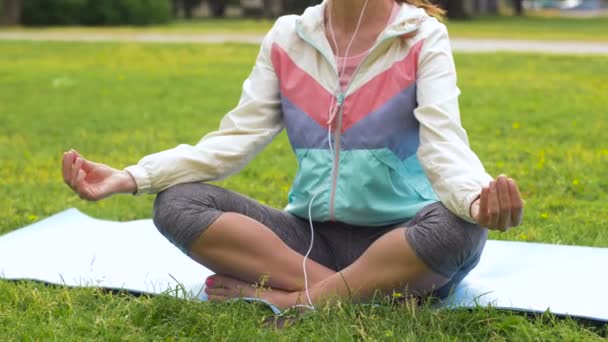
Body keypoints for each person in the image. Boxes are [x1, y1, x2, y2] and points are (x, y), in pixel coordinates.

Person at [62, 0, 524, 311]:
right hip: (307, 240)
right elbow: (234, 139)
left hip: (403, 244)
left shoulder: (422, 37)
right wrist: (131, 177)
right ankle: (345, 293)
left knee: (460, 227)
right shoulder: (288, 37)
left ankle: (295, 300)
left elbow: (444, 144)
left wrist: (474, 201)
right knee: (177, 203)